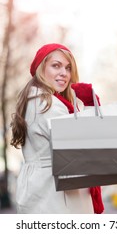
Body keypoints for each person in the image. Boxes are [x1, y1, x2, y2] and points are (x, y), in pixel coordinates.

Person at [10, 43, 104, 214]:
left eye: (68, 68)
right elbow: (83, 150)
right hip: (56, 197)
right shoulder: (49, 104)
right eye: (56, 66)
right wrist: (91, 108)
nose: (64, 73)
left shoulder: (32, 100)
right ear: (41, 69)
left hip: (42, 191)